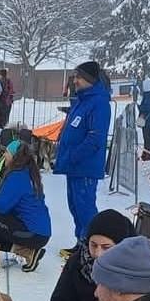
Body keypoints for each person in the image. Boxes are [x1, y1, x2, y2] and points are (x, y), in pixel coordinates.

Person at [0, 140, 51, 275]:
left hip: (32, 232)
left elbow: (1, 206)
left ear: (14, 156)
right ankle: (29, 253)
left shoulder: (17, 176)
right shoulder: (29, 173)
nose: (4, 155)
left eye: (6, 152)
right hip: (40, 232)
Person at [53, 61, 111, 257]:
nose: (75, 81)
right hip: (73, 166)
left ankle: (91, 248)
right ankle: (81, 244)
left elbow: (95, 137)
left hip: (85, 166)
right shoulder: (82, 100)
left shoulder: (99, 103)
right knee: (75, 207)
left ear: (89, 79)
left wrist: (74, 155)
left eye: (78, 77)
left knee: (85, 209)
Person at [138, 74, 150, 161]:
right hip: (149, 119)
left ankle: (147, 153)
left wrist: (139, 107)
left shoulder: (148, 95)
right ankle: (146, 153)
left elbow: (146, 107)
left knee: (147, 137)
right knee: (147, 136)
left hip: (146, 119)